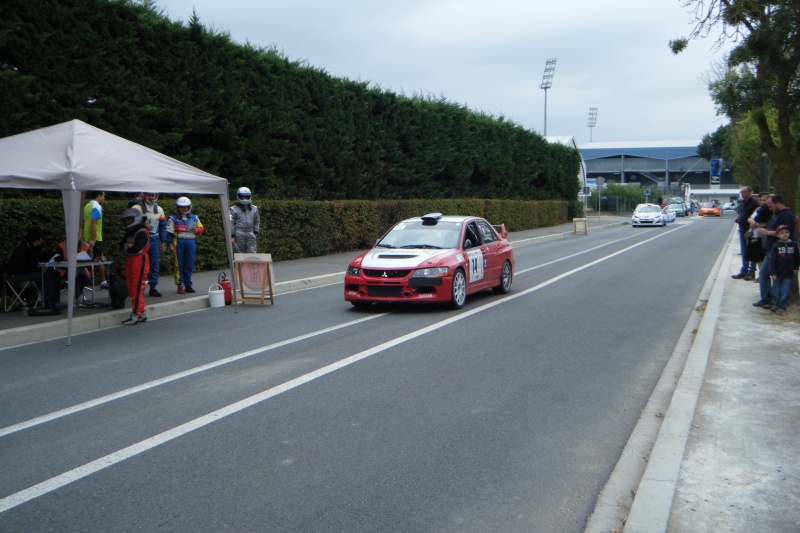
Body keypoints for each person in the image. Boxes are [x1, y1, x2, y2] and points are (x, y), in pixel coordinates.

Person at [753, 194, 796, 309]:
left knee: (764, 273)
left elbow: (785, 233)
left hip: (776, 250)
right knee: (765, 273)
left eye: (771, 206)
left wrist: (767, 232)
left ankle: (769, 299)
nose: (770, 209)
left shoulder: (786, 215)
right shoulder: (777, 214)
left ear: (777, 204)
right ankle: (769, 298)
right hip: (772, 248)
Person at [7, 228, 61, 312]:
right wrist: (38, 268)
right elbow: (22, 268)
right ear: (37, 240)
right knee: (46, 275)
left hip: (29, 272)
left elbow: (42, 257)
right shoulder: (22, 250)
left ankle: (55, 301)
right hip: (18, 275)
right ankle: (47, 302)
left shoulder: (36, 249)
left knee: (55, 273)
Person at [118, 207, 150, 325]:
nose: (126, 223)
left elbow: (136, 248)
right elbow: (122, 247)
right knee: (132, 287)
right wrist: (129, 246)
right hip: (131, 260)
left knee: (136, 287)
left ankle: (136, 314)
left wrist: (128, 246)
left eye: (128, 220)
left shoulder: (142, 232)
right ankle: (141, 312)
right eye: (125, 220)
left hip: (139, 260)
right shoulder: (131, 232)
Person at [132, 192, 168, 297]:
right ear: (144, 195)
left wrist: (163, 242)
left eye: (154, 195)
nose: (152, 197)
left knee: (154, 263)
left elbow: (163, 227)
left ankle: (153, 287)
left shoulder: (159, 209)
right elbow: (131, 225)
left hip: (155, 238)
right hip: (141, 238)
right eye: (149, 195)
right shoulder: (137, 208)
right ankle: (140, 287)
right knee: (141, 263)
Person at [167, 197, 204, 294]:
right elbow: (169, 233)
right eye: (181, 207)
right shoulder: (172, 218)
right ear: (177, 208)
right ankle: (179, 285)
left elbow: (201, 229)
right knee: (179, 265)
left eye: (186, 207)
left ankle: (188, 285)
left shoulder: (195, 217)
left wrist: (195, 230)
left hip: (191, 242)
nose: (184, 209)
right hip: (178, 242)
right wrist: (170, 244)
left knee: (189, 264)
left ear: (189, 207)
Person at [766, 225, 800, 316]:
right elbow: (772, 260)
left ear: (789, 233)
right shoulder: (776, 246)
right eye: (781, 233)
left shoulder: (793, 245)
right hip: (777, 273)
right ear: (778, 235)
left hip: (788, 273)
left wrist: (796, 268)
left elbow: (797, 258)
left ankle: (782, 307)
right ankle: (776, 305)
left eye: (786, 232)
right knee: (777, 290)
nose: (784, 235)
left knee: (785, 291)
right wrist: (772, 272)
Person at [53, 237, 91, 304]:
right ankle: (56, 302)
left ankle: (76, 295)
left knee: (83, 275)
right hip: (65, 270)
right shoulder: (61, 246)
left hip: (80, 269)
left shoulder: (86, 245)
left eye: (79, 234)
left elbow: (90, 260)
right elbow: (57, 261)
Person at [732, 186, 759, 280]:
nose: (742, 194)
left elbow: (753, 217)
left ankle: (751, 272)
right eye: (741, 192)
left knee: (751, 251)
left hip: (750, 230)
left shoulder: (754, 203)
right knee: (744, 251)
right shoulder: (742, 203)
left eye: (744, 192)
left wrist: (750, 229)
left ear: (750, 192)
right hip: (742, 229)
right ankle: (744, 271)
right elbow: (741, 213)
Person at [83, 191, 108, 288]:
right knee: (98, 260)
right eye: (103, 196)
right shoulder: (97, 207)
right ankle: (103, 282)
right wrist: (94, 239)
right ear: (98, 196)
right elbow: (93, 224)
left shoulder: (86, 206)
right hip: (95, 237)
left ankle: (92, 280)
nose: (104, 198)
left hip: (86, 236)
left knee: (90, 260)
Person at [230, 186, 260, 253]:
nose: (245, 199)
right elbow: (231, 223)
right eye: (243, 197)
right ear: (239, 196)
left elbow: (257, 221)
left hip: (250, 233)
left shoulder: (254, 209)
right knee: (240, 254)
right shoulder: (233, 209)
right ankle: (240, 264)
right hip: (239, 233)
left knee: (252, 254)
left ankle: (252, 264)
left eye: (246, 197)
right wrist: (232, 236)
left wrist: (255, 232)